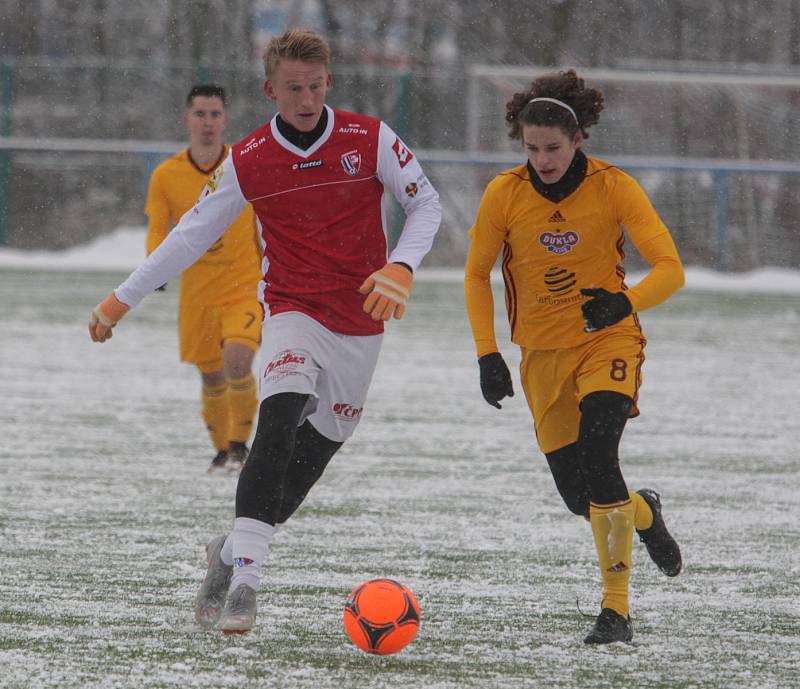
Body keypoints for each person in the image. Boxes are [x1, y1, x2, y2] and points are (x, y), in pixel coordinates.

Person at [88, 29, 441, 634]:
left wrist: (400, 267)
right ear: (269, 89)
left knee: (310, 457)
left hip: (361, 318)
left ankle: (227, 553)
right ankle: (248, 582)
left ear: (328, 83)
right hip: (291, 307)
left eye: (313, 87)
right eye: (291, 89)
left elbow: (425, 204)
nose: (304, 99)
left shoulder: (370, 138)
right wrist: (122, 299)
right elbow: (191, 234)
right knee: (277, 418)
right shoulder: (248, 159)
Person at [464, 69, 685, 644]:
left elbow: (671, 268)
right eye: (532, 148)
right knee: (578, 496)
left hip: (606, 342)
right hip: (540, 356)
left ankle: (616, 612)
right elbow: (474, 273)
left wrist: (624, 303)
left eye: (553, 148)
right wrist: (488, 354)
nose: (542, 159)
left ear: (579, 138)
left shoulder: (615, 187)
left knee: (599, 452)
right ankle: (642, 512)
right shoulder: (504, 194)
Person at [145, 84, 262, 474]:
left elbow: (269, 220)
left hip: (243, 285)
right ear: (187, 119)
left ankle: (241, 447)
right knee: (211, 374)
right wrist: (154, 266)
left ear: (225, 120)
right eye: (200, 114)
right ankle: (221, 451)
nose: (207, 123)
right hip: (197, 294)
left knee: (238, 360)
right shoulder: (167, 175)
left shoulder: (245, 165)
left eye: (215, 115)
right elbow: (158, 228)